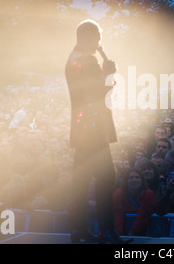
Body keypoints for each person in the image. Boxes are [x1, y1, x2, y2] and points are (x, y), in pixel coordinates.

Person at [65, 19, 129, 244]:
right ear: (89, 37)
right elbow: (99, 93)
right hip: (93, 128)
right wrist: (109, 73)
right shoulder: (88, 60)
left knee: (80, 180)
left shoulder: (73, 59)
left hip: (82, 127)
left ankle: (78, 230)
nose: (99, 43)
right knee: (105, 177)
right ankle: (106, 231)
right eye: (98, 38)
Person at [113, 168, 156, 236]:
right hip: (123, 231)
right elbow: (117, 214)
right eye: (130, 178)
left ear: (142, 180)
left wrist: (132, 233)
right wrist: (118, 234)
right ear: (126, 181)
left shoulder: (148, 194)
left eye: (137, 177)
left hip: (144, 233)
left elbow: (144, 215)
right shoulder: (119, 194)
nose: (134, 180)